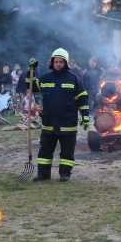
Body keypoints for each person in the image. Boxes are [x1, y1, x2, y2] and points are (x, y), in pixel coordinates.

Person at [28, 48, 89, 182]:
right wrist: (30, 70)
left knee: (67, 151)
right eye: (56, 62)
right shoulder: (45, 78)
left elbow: (82, 98)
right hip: (49, 121)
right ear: (52, 63)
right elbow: (31, 86)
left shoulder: (73, 78)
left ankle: (65, 173)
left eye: (61, 62)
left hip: (68, 122)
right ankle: (43, 174)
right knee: (45, 150)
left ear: (65, 63)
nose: (58, 64)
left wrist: (85, 116)